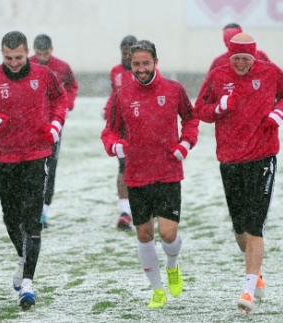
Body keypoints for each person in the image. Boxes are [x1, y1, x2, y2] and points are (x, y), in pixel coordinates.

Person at [0, 31, 68, 310]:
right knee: (11, 219)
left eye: (18, 57)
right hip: (5, 158)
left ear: (27, 53)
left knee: (33, 221)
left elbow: (61, 100)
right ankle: (23, 260)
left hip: (37, 154)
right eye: (8, 58)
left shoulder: (45, 75)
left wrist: (55, 125)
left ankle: (28, 284)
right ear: (2, 54)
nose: (13, 62)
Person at [193, 32, 283, 313]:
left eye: (245, 58)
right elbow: (199, 109)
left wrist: (278, 113)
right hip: (230, 158)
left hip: (263, 156)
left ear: (254, 56)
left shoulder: (270, 72)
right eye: (236, 58)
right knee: (240, 231)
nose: (240, 63)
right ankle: (256, 271)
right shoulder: (217, 76)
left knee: (255, 224)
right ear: (230, 56)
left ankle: (248, 290)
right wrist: (220, 107)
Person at [101, 40, 200, 308]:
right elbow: (109, 131)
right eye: (136, 64)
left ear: (156, 62)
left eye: (146, 63)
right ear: (130, 65)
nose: (141, 69)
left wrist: (185, 143)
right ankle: (157, 290)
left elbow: (191, 119)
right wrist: (115, 145)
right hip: (137, 175)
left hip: (168, 172)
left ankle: (172, 265)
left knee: (168, 234)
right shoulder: (122, 96)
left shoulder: (173, 89)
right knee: (144, 234)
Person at [29, 34, 79, 228]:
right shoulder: (26, 65)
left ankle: (43, 213)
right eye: (39, 54)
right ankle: (29, 210)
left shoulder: (62, 67)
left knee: (50, 167)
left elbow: (72, 86)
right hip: (31, 124)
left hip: (54, 124)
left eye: (46, 53)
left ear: (52, 49)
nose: (42, 58)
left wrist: (68, 104)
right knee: (31, 166)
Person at [102, 35, 138, 229]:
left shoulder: (143, 70)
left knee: (144, 165)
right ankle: (124, 211)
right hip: (122, 127)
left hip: (142, 125)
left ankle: (147, 206)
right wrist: (108, 109)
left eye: (130, 49)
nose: (126, 53)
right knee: (123, 166)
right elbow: (114, 94)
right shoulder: (116, 72)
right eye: (124, 49)